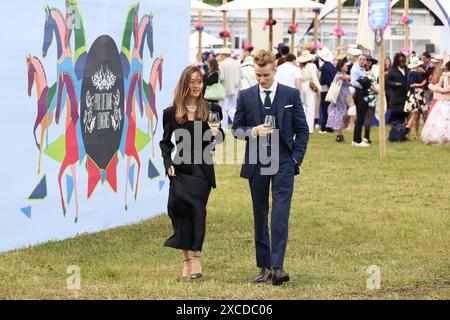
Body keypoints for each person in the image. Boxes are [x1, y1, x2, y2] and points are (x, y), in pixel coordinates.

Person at [232, 50, 309, 285]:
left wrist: (295, 159)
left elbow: (303, 130)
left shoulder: (291, 95)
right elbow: (236, 129)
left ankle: (278, 267)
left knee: (280, 214)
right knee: (260, 213)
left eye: (265, 75)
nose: (261, 79)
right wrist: (252, 131)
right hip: (256, 162)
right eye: (258, 75)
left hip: (284, 161)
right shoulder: (245, 96)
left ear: (275, 70)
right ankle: (264, 266)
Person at [160, 65, 224, 280]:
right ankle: (186, 264)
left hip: (202, 170)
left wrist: (216, 133)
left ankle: (196, 259)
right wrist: (167, 162)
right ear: (184, 84)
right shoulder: (171, 112)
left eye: (200, 81)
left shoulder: (212, 109)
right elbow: (165, 143)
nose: (197, 86)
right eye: (192, 81)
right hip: (179, 169)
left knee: (197, 211)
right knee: (179, 212)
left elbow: (217, 141)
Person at [421, 60, 450, 145]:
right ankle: (441, 138)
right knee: (442, 119)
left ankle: (438, 138)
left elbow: (443, 89)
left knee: (440, 119)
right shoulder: (445, 76)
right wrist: (435, 87)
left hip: (443, 101)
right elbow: (442, 88)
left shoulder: (444, 75)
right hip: (444, 101)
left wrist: (433, 87)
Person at [327, 59, 352, 143]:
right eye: (345, 65)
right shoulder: (339, 75)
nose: (347, 66)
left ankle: (340, 135)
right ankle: (339, 135)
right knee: (341, 115)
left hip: (344, 97)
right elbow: (350, 78)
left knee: (343, 115)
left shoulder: (343, 74)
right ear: (341, 67)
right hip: (341, 98)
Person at [218, 47, 243, 133]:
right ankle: (237, 125)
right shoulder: (237, 63)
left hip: (224, 89)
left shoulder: (222, 64)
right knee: (233, 108)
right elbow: (241, 76)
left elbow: (221, 78)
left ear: (223, 55)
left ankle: (224, 129)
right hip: (235, 88)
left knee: (223, 109)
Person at [404, 56, 428, 140]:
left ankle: (408, 132)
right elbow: (411, 84)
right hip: (415, 95)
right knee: (414, 115)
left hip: (416, 95)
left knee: (415, 115)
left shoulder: (414, 72)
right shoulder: (413, 73)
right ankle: (406, 132)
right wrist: (421, 84)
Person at [350, 54, 371, 147]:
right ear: (358, 60)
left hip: (364, 93)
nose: (362, 61)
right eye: (361, 59)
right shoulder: (355, 70)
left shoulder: (363, 70)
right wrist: (363, 85)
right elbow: (353, 82)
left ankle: (356, 139)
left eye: (364, 59)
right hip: (360, 93)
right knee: (360, 117)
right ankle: (357, 140)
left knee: (361, 117)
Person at [298, 50, 321, 134]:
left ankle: (302, 127)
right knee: (310, 107)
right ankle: (309, 128)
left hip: (301, 85)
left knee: (303, 107)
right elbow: (314, 78)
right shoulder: (312, 66)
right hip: (309, 85)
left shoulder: (299, 66)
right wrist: (318, 88)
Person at [386, 52, 409, 124]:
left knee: (405, 115)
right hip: (396, 97)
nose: (402, 62)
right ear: (397, 61)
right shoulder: (392, 70)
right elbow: (387, 81)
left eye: (403, 61)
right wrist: (394, 84)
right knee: (395, 116)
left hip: (406, 96)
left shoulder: (408, 69)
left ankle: (403, 133)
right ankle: (394, 132)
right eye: (400, 61)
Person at [318, 47, 336, 133]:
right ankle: (329, 126)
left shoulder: (324, 67)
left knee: (325, 108)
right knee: (330, 108)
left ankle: (325, 126)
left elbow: (326, 79)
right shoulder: (332, 66)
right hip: (332, 88)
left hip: (325, 89)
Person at [364, 56, 379, 144]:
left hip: (370, 96)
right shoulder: (364, 72)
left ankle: (366, 137)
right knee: (365, 117)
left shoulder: (372, 72)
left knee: (368, 117)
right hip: (368, 95)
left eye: (370, 61)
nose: (368, 62)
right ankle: (365, 137)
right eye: (367, 61)